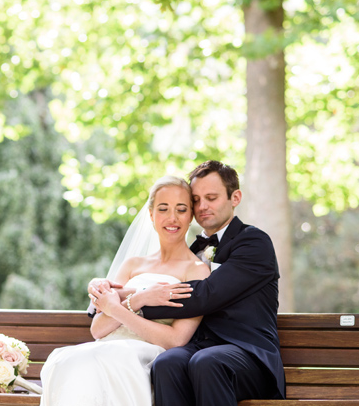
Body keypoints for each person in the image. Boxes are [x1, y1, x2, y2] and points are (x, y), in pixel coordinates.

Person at [97, 161, 285, 405]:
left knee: (207, 363)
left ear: (235, 197)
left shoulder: (253, 243)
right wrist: (107, 290)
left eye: (212, 197)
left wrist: (128, 296)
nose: (203, 206)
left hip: (248, 354)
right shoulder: (195, 249)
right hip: (201, 346)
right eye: (196, 199)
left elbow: (205, 295)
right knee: (167, 362)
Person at [40, 176, 211, 406]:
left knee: (110, 362)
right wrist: (140, 298)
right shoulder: (132, 264)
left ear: (190, 216)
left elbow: (176, 340)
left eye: (181, 210)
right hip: (107, 346)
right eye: (163, 209)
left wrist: (118, 308)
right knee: (67, 360)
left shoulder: (197, 271)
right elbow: (98, 329)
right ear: (151, 214)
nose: (172, 218)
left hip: (147, 355)